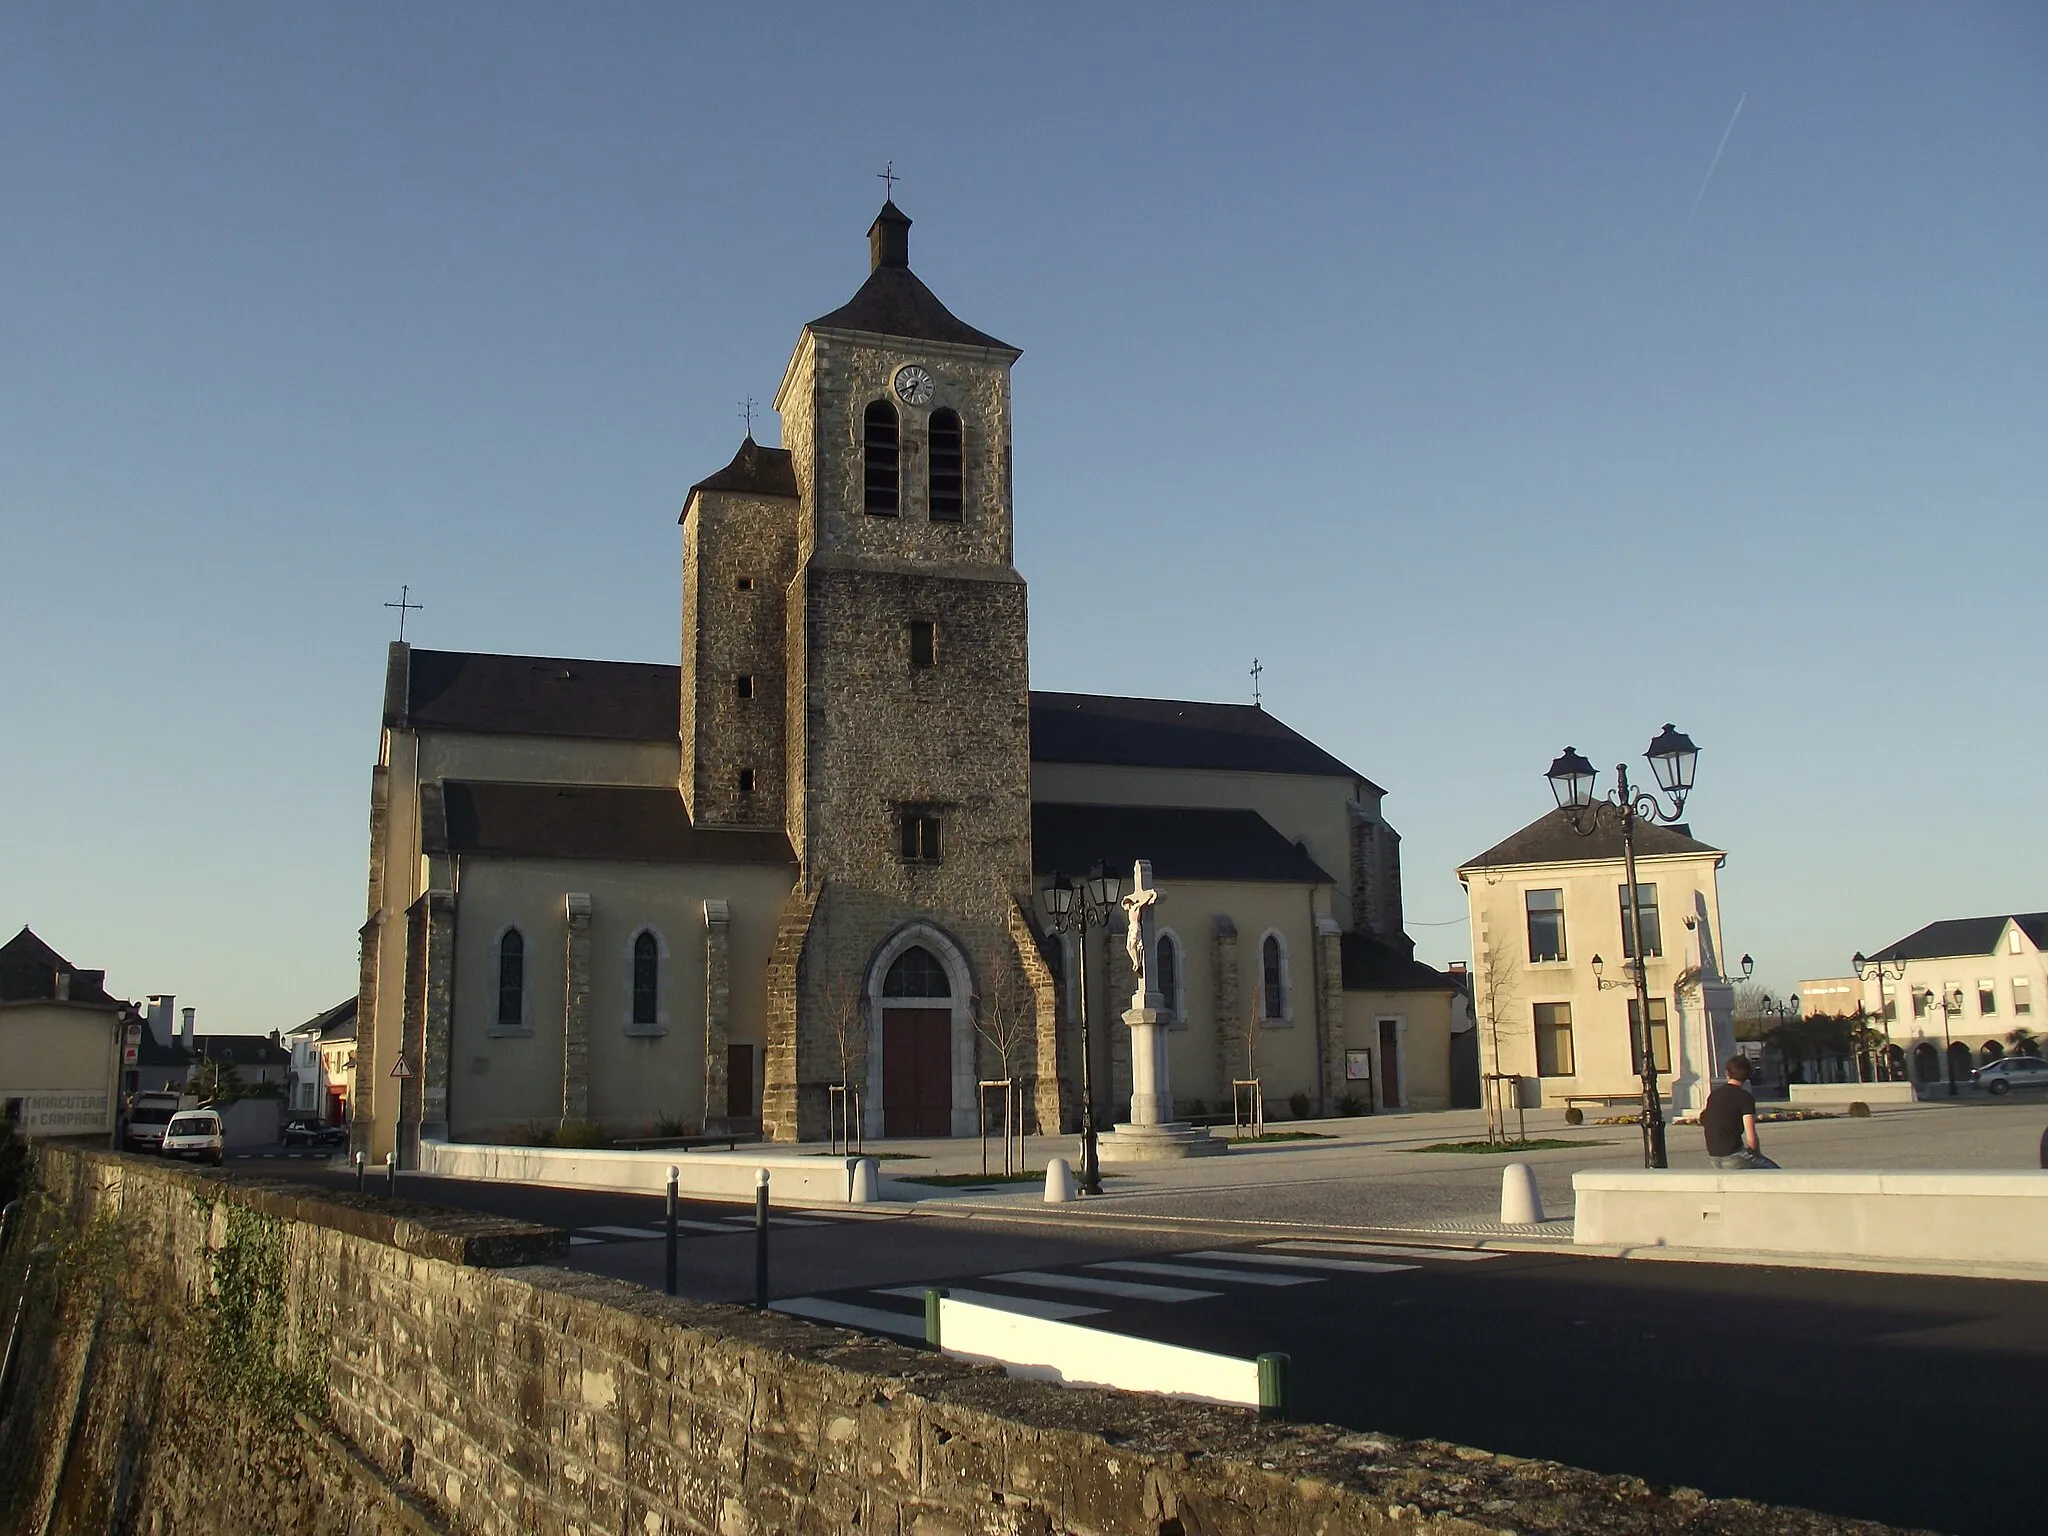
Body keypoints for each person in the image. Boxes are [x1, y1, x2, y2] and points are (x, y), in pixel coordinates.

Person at [1701, 1055, 1779, 1170]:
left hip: (1713, 1156)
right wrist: (1756, 1154)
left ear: (1727, 1073)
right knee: (1775, 1172)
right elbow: (1751, 1136)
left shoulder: (1714, 1095)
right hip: (1735, 1156)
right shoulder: (1745, 1097)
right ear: (1747, 1076)